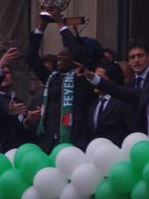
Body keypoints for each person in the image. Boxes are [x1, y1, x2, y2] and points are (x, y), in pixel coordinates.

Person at [23, 10, 98, 151]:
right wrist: (42, 26)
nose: (59, 55)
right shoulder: (52, 78)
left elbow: (77, 52)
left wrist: (60, 23)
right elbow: (30, 57)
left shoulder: (83, 77)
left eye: (65, 53)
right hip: (49, 143)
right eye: (59, 53)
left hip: (74, 142)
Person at [87, 63, 135, 146]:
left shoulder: (123, 103)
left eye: (98, 78)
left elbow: (133, 131)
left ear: (111, 81)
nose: (94, 81)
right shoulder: (92, 104)